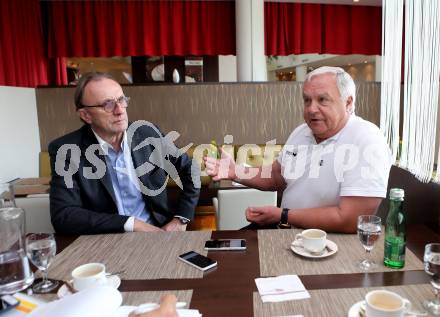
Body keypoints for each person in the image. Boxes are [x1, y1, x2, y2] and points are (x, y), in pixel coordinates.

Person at [204, 66, 392, 233]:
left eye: (322, 100)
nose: (311, 109)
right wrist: (235, 171)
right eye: (307, 100)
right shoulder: (301, 133)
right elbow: (277, 175)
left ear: (348, 103)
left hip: (328, 243)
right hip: (283, 231)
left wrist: (283, 215)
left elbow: (350, 220)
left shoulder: (366, 139)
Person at [49, 72, 200, 234]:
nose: (120, 110)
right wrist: (131, 223)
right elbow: (63, 215)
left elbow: (190, 169)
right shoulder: (66, 150)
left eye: (121, 100)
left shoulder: (148, 134)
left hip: (158, 234)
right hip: (104, 241)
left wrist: (181, 218)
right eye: (107, 104)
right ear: (86, 115)